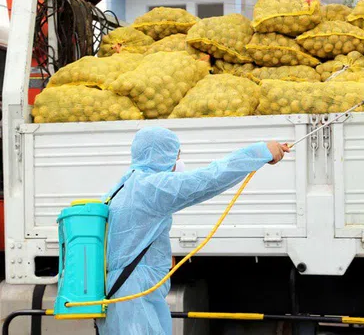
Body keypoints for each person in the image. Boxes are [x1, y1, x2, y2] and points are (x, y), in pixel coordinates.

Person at [97, 126, 289, 335]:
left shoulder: (121, 188)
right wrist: (261, 152)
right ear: (162, 155)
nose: (178, 161)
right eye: (176, 155)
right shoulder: (151, 187)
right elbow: (209, 179)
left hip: (119, 294)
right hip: (135, 299)